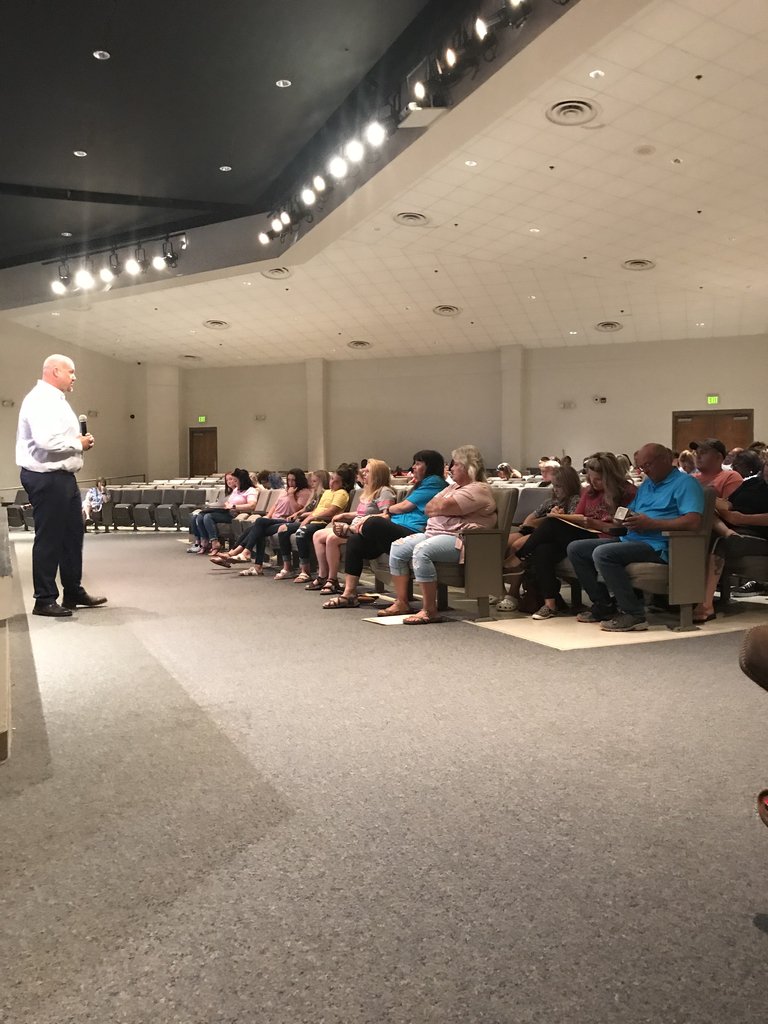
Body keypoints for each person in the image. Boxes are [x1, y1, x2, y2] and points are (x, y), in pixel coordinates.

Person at [566, 444, 704, 632]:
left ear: (665, 460)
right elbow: (633, 510)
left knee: (603, 553)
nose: (644, 470)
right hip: (633, 538)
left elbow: (693, 521)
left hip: (660, 544)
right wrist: (622, 517)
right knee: (576, 549)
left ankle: (634, 614)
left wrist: (652, 524)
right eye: (641, 466)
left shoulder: (686, 483)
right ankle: (604, 606)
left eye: (648, 465)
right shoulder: (648, 483)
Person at [15, 354, 106, 617]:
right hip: (47, 477)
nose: (75, 376)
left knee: (71, 536)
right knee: (50, 539)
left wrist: (79, 440)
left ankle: (72, 590)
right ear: (54, 371)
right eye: (71, 371)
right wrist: (79, 444)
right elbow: (45, 442)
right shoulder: (40, 400)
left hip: (62, 478)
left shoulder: (55, 399)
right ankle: (44, 599)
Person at [510, 454, 636, 620]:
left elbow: (620, 527)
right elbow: (577, 518)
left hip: (607, 536)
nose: (592, 483)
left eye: (597, 479)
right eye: (590, 478)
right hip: (584, 533)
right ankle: (550, 604)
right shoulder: (589, 493)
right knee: (543, 548)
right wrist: (563, 516)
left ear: (610, 476)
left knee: (551, 524)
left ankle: (519, 557)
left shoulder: (626, 492)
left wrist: (593, 523)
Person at [383, 444, 496, 625]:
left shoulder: (477, 489)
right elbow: (429, 507)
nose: (451, 469)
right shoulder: (453, 488)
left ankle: (429, 610)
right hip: (436, 534)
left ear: (468, 467)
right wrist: (443, 507)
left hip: (461, 540)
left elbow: (441, 506)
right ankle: (402, 602)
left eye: (456, 464)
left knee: (422, 550)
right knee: (398, 547)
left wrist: (443, 508)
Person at [323, 450, 447, 609]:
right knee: (355, 541)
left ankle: (354, 529)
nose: (413, 467)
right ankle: (349, 594)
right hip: (398, 527)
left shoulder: (434, 482)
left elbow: (403, 507)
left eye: (418, 463)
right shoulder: (420, 484)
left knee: (373, 522)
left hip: (413, 531)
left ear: (429, 466)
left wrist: (387, 511)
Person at [312, 459, 395, 595]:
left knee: (332, 539)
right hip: (355, 526)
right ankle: (323, 575)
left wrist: (362, 521)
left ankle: (332, 580)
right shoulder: (369, 491)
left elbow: (387, 515)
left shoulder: (384, 492)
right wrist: (345, 515)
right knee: (317, 535)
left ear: (377, 474)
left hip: (367, 532)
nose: (364, 474)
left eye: (368, 472)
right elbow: (361, 513)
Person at [210, 469, 312, 573]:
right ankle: (244, 557)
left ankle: (237, 554)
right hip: (275, 520)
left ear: (299, 480)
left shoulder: (304, 492)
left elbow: (297, 511)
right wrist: (268, 516)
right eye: (289, 480)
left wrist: (291, 496)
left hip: (287, 521)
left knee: (259, 525)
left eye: (293, 480)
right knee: (258, 527)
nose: (290, 483)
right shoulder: (285, 491)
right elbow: (275, 505)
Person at [276, 466, 355, 586]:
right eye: (332, 479)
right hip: (313, 520)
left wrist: (311, 518)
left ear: (343, 484)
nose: (332, 482)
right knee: (283, 529)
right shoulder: (327, 492)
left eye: (336, 481)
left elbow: (331, 511)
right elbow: (316, 510)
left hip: (324, 522)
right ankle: (287, 567)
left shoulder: (341, 493)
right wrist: (307, 517)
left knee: (301, 532)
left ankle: (305, 571)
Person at [187, 468, 259, 554]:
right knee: (200, 515)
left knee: (208, 516)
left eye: (236, 481)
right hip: (227, 511)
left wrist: (234, 506)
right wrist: (225, 505)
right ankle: (205, 542)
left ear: (242, 481)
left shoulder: (250, 490)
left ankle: (214, 543)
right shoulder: (237, 490)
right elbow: (230, 501)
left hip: (236, 514)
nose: (234, 483)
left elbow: (252, 505)